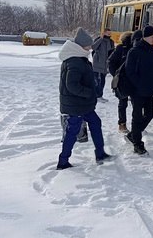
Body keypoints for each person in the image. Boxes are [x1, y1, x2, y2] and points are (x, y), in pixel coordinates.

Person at [57, 27, 112, 169]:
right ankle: (63, 161)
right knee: (72, 131)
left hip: (82, 104)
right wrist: (89, 92)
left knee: (95, 122)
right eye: (88, 46)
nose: (90, 48)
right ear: (81, 46)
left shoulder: (78, 58)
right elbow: (72, 85)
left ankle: (100, 153)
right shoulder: (74, 61)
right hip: (75, 105)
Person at [124, 25, 153, 155]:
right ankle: (137, 143)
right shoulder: (134, 51)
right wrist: (138, 84)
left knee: (149, 114)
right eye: (152, 37)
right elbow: (129, 71)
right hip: (137, 90)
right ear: (145, 37)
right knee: (137, 116)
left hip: (149, 89)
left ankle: (133, 134)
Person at [106, 31, 134, 133]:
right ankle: (135, 124)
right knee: (135, 103)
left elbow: (110, 62)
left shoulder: (120, 48)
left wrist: (116, 74)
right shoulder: (132, 48)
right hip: (130, 79)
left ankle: (122, 124)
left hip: (122, 80)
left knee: (122, 103)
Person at [91, 28, 115, 101]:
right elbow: (93, 47)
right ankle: (96, 96)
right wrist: (101, 39)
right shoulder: (98, 40)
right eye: (107, 33)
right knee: (97, 81)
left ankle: (99, 95)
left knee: (102, 81)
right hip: (98, 64)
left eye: (110, 33)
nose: (109, 34)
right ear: (104, 33)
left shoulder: (111, 41)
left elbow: (112, 52)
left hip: (105, 65)